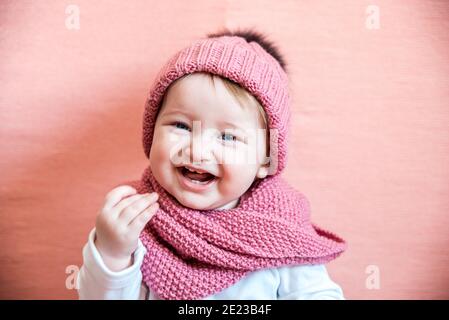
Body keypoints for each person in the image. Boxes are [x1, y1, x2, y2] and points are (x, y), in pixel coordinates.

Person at [77, 29, 347, 300]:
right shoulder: (135, 220)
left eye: (228, 136)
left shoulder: (281, 232)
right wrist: (112, 254)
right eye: (181, 125)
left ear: (266, 158)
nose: (197, 149)